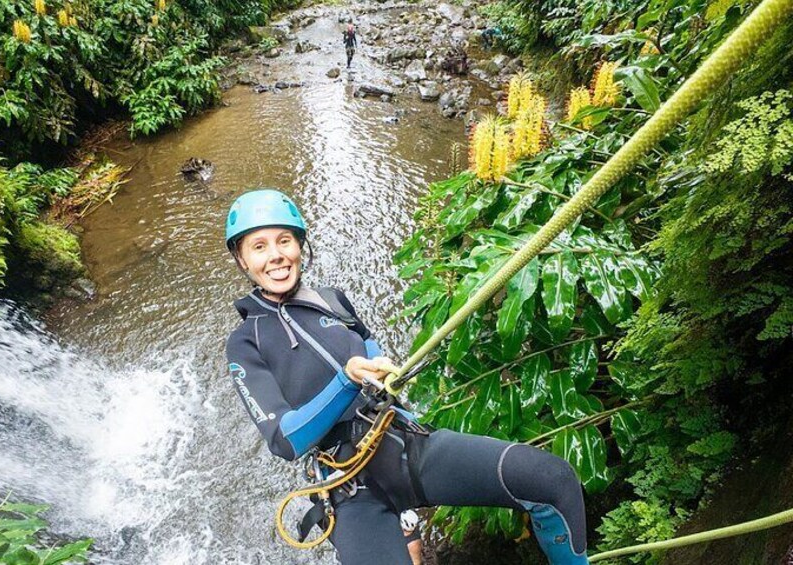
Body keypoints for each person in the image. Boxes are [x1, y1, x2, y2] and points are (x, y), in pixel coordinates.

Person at [224, 189, 590, 565]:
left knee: (553, 482)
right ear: (241, 258)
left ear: (300, 244)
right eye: (259, 247)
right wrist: (346, 381)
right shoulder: (244, 344)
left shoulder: (331, 299)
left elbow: (369, 346)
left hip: (407, 445)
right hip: (351, 491)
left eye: (284, 241)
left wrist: (379, 368)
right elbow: (285, 440)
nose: (276, 256)